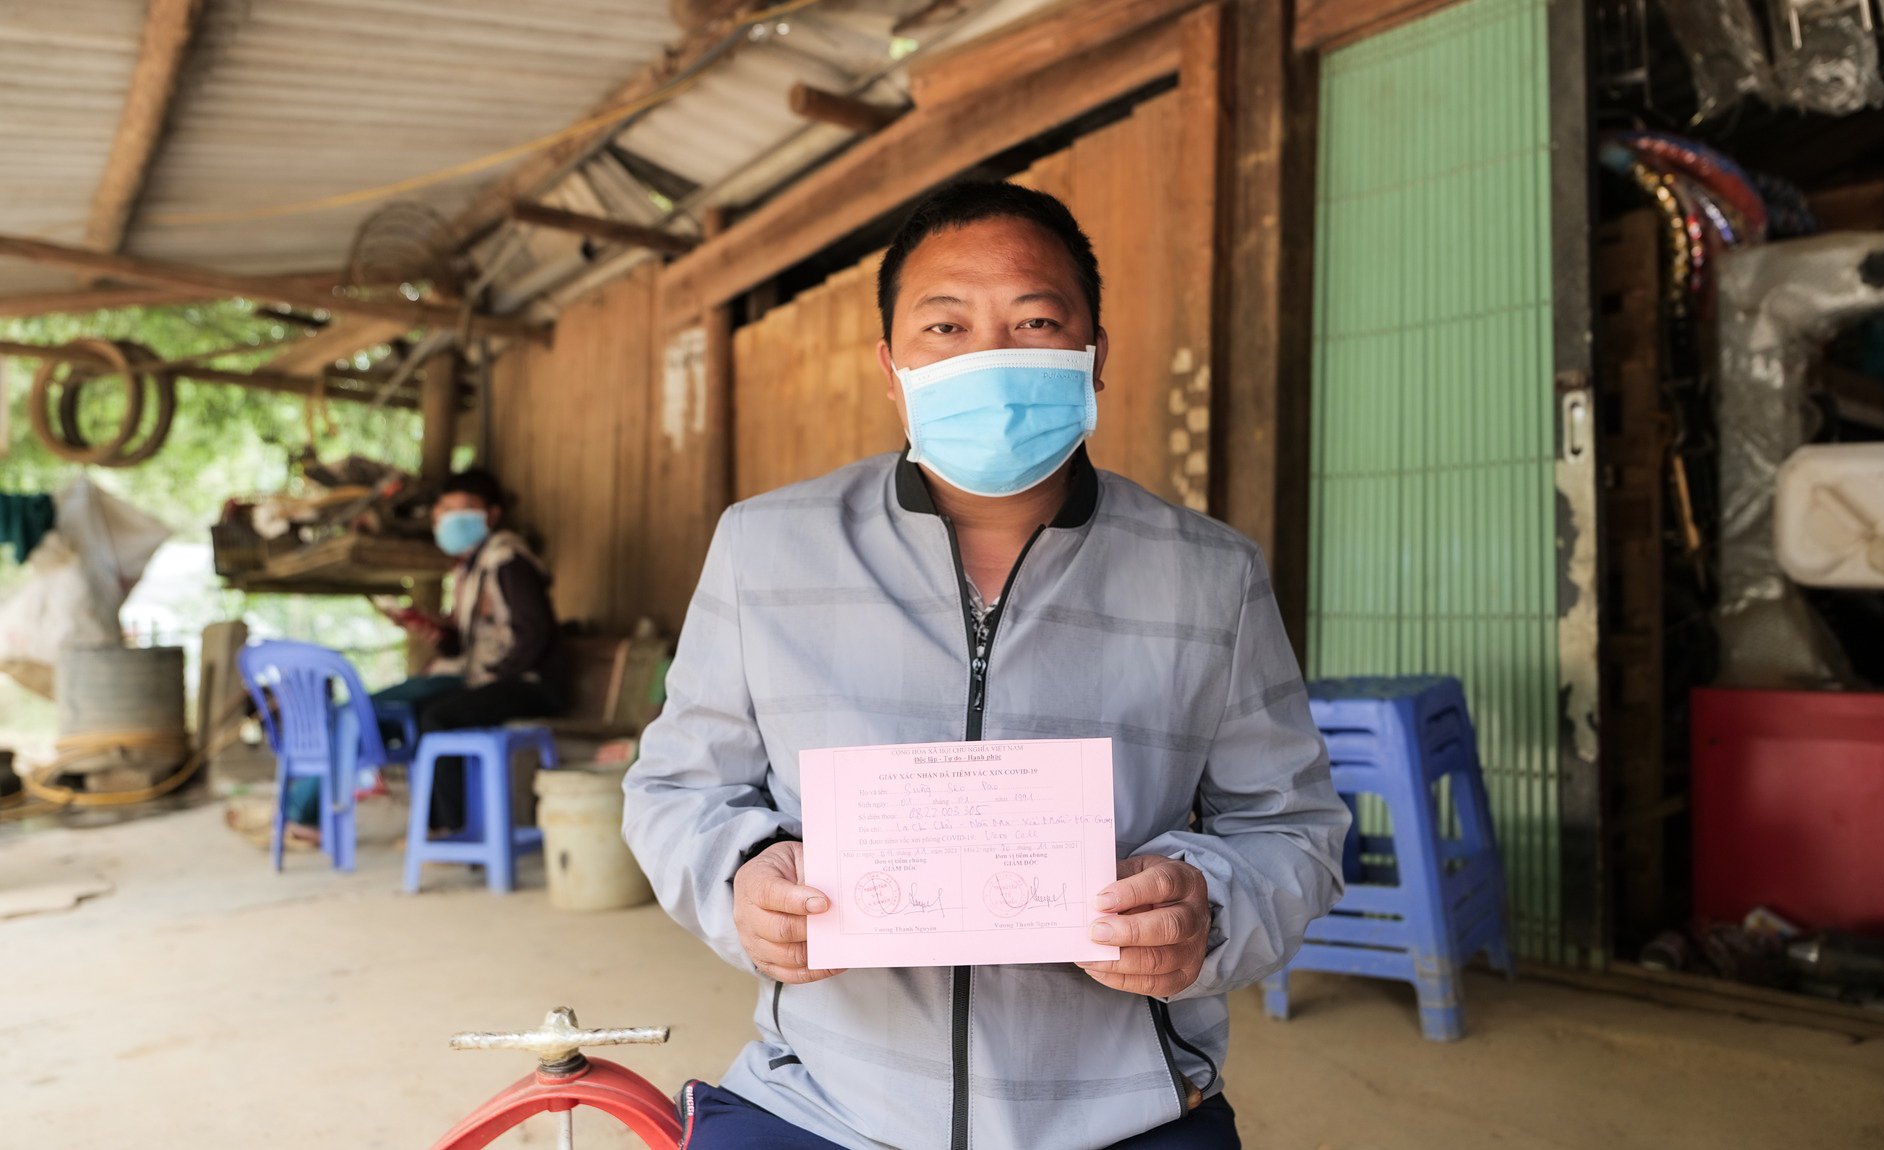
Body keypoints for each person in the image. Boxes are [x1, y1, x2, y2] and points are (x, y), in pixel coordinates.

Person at [622, 182, 1348, 1150]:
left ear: (1095, 355)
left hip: (1126, 1115)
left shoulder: (1211, 575)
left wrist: (1207, 911)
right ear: (891, 368)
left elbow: (1293, 826)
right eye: (946, 326)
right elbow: (674, 788)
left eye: (1035, 321)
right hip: (821, 1104)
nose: (990, 358)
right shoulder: (765, 549)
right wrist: (740, 879)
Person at [287, 468, 564, 839]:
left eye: (462, 508)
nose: (450, 518)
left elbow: (535, 632)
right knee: (419, 714)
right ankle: (432, 825)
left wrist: (494, 676)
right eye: (444, 510)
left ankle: (452, 829)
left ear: (492, 514)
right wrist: (431, 629)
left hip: (529, 683)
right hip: (493, 678)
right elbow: (466, 644)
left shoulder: (507, 558)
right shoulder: (471, 568)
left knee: (439, 717)